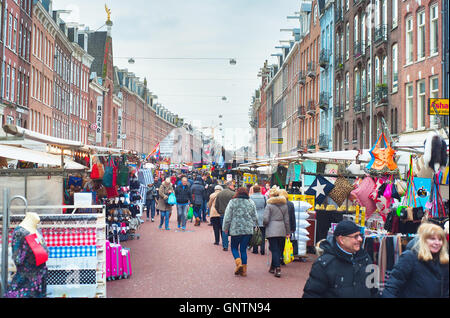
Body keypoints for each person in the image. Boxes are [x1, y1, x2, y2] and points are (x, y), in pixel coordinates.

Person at [302, 220, 376, 298]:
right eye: (355, 236)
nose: (360, 239)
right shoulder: (324, 264)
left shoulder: (365, 258)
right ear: (341, 240)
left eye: (360, 235)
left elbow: (373, 291)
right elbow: (312, 294)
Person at [381, 223, 449, 298]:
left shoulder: (443, 261)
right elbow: (391, 289)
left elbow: (446, 291)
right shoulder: (409, 257)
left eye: (440, 239)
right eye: (432, 239)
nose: (437, 243)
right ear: (423, 240)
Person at [222, 187, 258, 277]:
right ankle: (244, 271)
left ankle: (238, 263)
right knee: (243, 250)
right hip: (247, 230)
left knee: (234, 248)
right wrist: (254, 224)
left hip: (236, 229)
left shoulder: (233, 202)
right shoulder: (251, 202)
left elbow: (227, 216)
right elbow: (255, 217)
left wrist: (225, 227)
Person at [263, 188, 290, 277]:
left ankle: (277, 268)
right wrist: (288, 231)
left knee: (274, 249)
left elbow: (266, 219)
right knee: (279, 250)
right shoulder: (284, 205)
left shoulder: (269, 205)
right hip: (282, 229)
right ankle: (272, 267)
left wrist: (265, 224)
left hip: (271, 229)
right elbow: (287, 220)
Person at [215, 181, 236, 251]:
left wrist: (219, 211)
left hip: (223, 213)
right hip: (232, 214)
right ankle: (233, 245)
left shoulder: (220, 194)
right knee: (233, 229)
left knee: (224, 230)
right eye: (233, 186)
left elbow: (216, 205)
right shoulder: (233, 194)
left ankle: (225, 245)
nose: (234, 187)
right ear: (230, 186)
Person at [279, 189, 296, 265]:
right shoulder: (291, 204)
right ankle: (283, 257)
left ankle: (279, 257)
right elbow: (293, 217)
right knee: (284, 243)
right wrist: (293, 227)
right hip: (288, 226)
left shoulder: (277, 204)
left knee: (278, 243)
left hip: (279, 226)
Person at [249, 185, 267, 255]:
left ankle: (255, 249)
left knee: (254, 233)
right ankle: (262, 249)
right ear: (260, 190)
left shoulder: (251, 197)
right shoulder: (264, 197)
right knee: (263, 234)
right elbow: (266, 206)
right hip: (262, 216)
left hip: (254, 216)